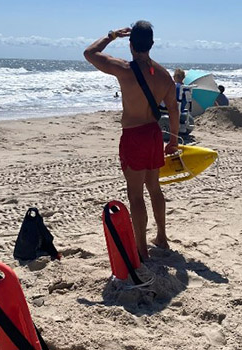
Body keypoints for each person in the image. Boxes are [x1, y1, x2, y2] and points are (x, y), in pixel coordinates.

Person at [84, 20, 179, 260]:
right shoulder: (164, 75)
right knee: (155, 188)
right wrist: (174, 139)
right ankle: (162, 238)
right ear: (152, 44)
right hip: (154, 134)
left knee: (135, 195)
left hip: (134, 135)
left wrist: (111, 35)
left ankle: (141, 250)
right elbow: (174, 109)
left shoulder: (124, 69)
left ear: (130, 44)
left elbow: (90, 53)